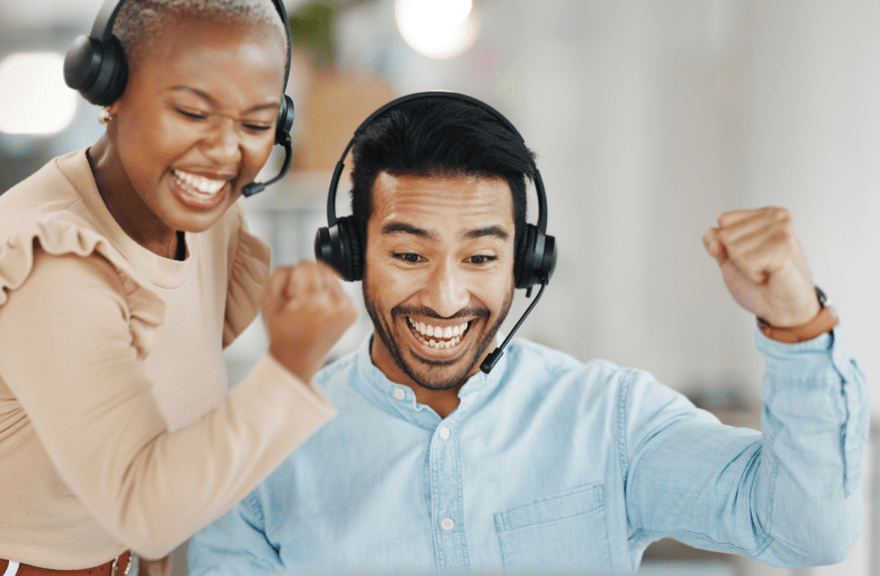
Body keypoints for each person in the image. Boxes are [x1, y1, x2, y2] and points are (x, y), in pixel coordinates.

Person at [187, 93, 868, 575]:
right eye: (408, 255)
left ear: (526, 261)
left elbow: (805, 531)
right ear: (349, 253)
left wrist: (797, 323)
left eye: (481, 258)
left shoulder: (612, 420)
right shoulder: (259, 453)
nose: (447, 298)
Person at [0, 1, 357, 575]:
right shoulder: (48, 256)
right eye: (193, 112)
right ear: (109, 91)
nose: (224, 151)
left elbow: (167, 424)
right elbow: (144, 506)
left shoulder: (208, 228)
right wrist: (289, 367)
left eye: (255, 123)